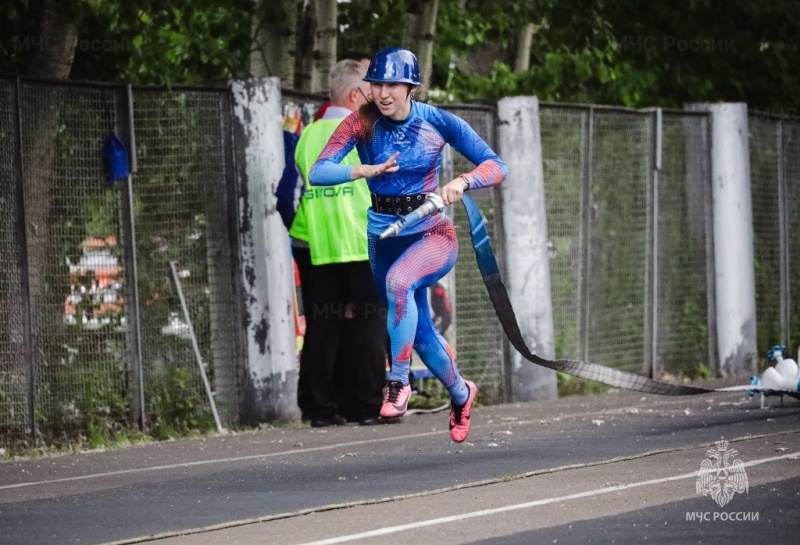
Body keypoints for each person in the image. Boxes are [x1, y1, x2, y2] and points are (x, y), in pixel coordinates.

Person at [309, 47, 508, 442]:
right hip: (383, 239)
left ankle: (398, 383)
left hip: (431, 234)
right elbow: (318, 171)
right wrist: (361, 169)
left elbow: (496, 165)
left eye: (393, 85)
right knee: (420, 336)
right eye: (377, 84)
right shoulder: (359, 124)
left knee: (401, 283)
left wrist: (463, 181)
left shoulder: (437, 121)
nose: (383, 93)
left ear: (410, 87)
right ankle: (461, 392)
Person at [291, 59, 389, 428]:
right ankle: (365, 406)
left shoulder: (309, 135)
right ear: (354, 94)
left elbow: (291, 191)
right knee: (370, 324)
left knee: (323, 325)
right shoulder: (366, 132)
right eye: (371, 90)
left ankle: (319, 408)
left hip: (315, 243)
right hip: (361, 242)